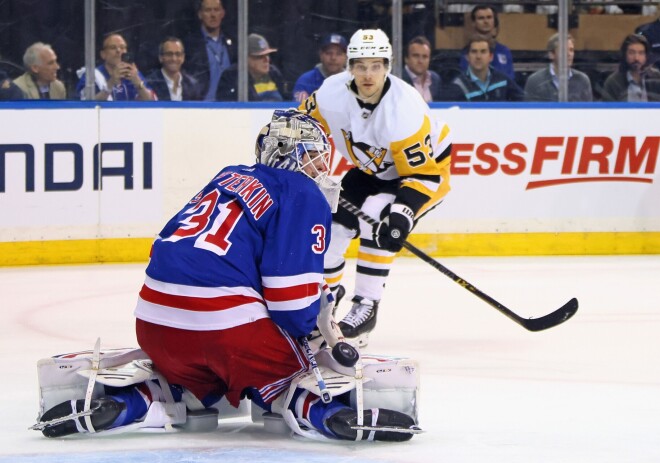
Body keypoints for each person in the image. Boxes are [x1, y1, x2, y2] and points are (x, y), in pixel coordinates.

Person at [32, 110, 416, 442]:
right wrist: (314, 330)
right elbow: (290, 302)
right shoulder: (302, 192)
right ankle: (325, 414)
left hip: (154, 323)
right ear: (292, 155)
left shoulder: (228, 176)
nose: (321, 168)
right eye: (314, 156)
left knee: (193, 383)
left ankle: (129, 402)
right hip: (229, 331)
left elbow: (168, 246)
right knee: (289, 375)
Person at [298, 29, 452, 347]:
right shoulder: (330, 93)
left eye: (376, 65)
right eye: (361, 65)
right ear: (349, 66)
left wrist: (403, 216)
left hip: (426, 173)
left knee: (378, 214)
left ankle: (367, 305)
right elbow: (302, 123)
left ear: (388, 66)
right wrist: (295, 146)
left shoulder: (405, 109)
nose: (368, 74)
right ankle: (324, 303)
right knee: (332, 228)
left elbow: (423, 174)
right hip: (372, 170)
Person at [75, 33, 155, 101]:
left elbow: (153, 103)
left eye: (122, 47)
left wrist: (138, 83)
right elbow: (86, 107)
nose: (118, 51)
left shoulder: (134, 73)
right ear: (103, 54)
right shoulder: (91, 76)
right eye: (113, 47)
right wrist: (111, 82)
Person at [184, 0, 236, 101]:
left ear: (222, 13)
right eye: (208, 10)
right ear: (200, 14)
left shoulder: (233, 43)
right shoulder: (190, 45)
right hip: (202, 106)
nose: (213, 15)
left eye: (216, 10)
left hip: (230, 105)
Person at [446, 35, 523, 102]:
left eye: (483, 52)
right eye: (474, 52)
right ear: (467, 57)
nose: (478, 56)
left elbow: (525, 103)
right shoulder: (458, 85)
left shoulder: (503, 80)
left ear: (491, 57)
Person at [524, 33, 593, 102]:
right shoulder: (535, 81)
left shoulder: (582, 80)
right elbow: (528, 111)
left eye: (571, 50)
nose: (569, 54)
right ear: (551, 54)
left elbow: (588, 111)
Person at [216, 33, 284, 101]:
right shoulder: (231, 77)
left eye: (267, 55)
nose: (266, 60)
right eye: (260, 56)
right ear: (246, 58)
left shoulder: (274, 74)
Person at [459, 5, 514, 80]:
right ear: (474, 23)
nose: (486, 21)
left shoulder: (504, 51)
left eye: (489, 17)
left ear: (495, 21)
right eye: (481, 18)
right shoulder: (468, 52)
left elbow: (510, 80)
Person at [602, 34, 660, 102]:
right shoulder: (613, 82)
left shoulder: (657, 78)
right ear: (625, 55)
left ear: (646, 56)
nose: (636, 58)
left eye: (641, 53)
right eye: (632, 53)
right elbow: (608, 110)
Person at [292, 33, 348, 103]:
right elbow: (299, 110)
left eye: (339, 54)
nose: (333, 58)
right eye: (328, 53)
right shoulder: (306, 80)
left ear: (346, 57)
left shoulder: (354, 82)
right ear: (321, 55)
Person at [145, 37, 203, 101]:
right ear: (161, 58)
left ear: (183, 57)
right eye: (169, 54)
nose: (174, 59)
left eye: (178, 54)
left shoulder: (192, 85)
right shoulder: (151, 82)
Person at [401, 36, 443, 103]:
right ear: (406, 59)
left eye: (425, 57)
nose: (420, 61)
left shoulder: (435, 79)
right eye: (416, 56)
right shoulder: (398, 79)